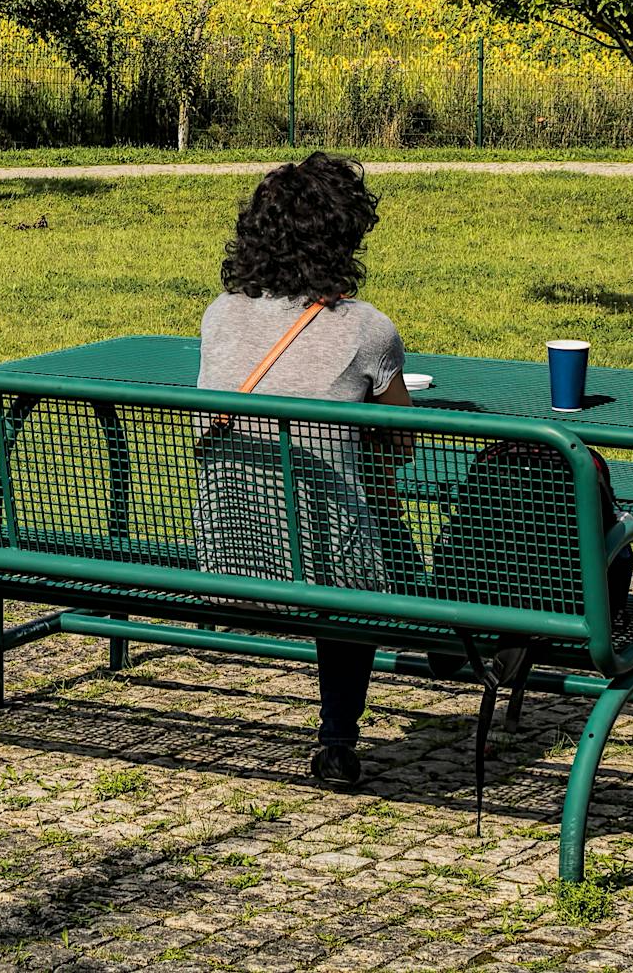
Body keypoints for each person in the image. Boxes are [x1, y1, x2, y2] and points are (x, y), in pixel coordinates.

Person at [196, 151, 410, 792]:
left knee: (338, 519)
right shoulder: (368, 330)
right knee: (367, 536)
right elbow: (399, 446)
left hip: (229, 550)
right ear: (344, 238)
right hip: (318, 565)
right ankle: (338, 739)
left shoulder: (220, 314)